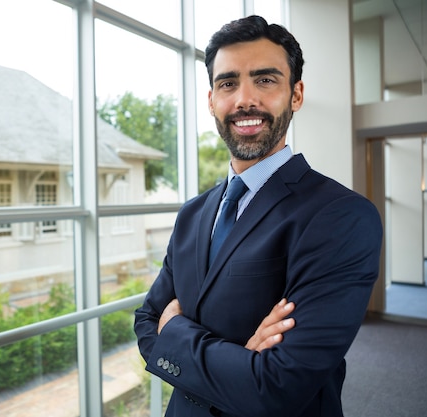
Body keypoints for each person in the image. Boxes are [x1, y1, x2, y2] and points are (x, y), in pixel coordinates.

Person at [134, 15, 382, 417]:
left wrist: (176, 332)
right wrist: (241, 359)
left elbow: (276, 386)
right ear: (211, 100)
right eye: (228, 83)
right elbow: (146, 322)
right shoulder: (191, 215)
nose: (244, 100)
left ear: (296, 94)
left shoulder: (342, 216)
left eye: (265, 80)